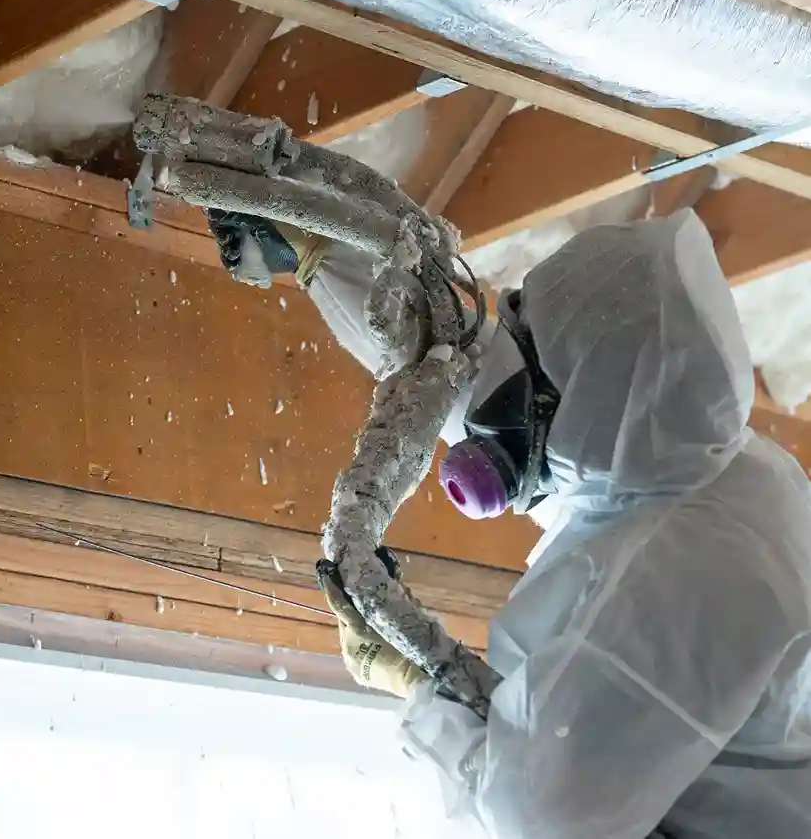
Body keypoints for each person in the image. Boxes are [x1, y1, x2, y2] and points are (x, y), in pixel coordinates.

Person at [209, 208, 811, 838]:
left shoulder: (701, 573)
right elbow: (463, 383)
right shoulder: (677, 462)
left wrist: (425, 690)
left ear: (586, 392)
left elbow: (541, 814)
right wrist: (321, 258)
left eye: (525, 360)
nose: (502, 397)